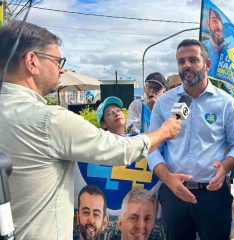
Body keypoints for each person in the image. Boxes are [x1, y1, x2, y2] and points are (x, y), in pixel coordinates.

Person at [0, 20, 181, 239]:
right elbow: (120, 149)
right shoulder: (50, 120)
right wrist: (164, 131)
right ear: (32, 61)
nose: (62, 69)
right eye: (57, 61)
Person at [148, 39, 234, 240]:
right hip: (173, 192)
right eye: (181, 61)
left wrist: (225, 167)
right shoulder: (165, 103)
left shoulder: (226, 103)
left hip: (213, 194)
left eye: (193, 60)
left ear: (207, 64)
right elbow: (152, 147)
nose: (186, 66)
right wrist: (168, 179)